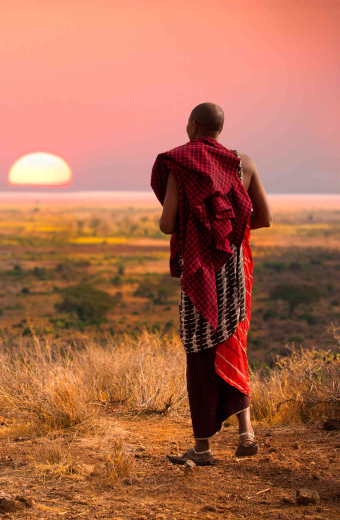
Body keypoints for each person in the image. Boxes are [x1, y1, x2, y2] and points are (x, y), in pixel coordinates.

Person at [151, 102, 272, 465]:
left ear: (191, 126)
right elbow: (263, 217)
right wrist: (225, 231)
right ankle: (246, 433)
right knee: (232, 344)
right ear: (219, 128)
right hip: (232, 267)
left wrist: (201, 233)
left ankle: (202, 448)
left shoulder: (179, 164)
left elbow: (167, 224)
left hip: (199, 271)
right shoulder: (244, 163)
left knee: (200, 353)